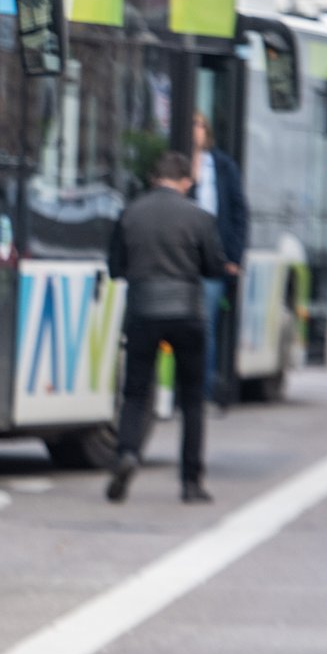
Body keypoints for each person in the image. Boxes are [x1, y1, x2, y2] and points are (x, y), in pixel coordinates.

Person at [107, 151, 230, 504]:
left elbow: (116, 267)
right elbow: (212, 268)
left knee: (134, 393)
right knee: (191, 400)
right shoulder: (200, 218)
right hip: (187, 315)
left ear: (152, 179)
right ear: (186, 182)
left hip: (144, 312)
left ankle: (127, 453)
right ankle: (191, 482)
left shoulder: (130, 214)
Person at [191, 113, 248, 405]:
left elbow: (239, 213)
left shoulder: (223, 166)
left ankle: (201, 391)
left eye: (199, 124)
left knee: (205, 326)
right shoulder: (177, 167)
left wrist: (234, 257)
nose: (194, 130)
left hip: (213, 257)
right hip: (181, 257)